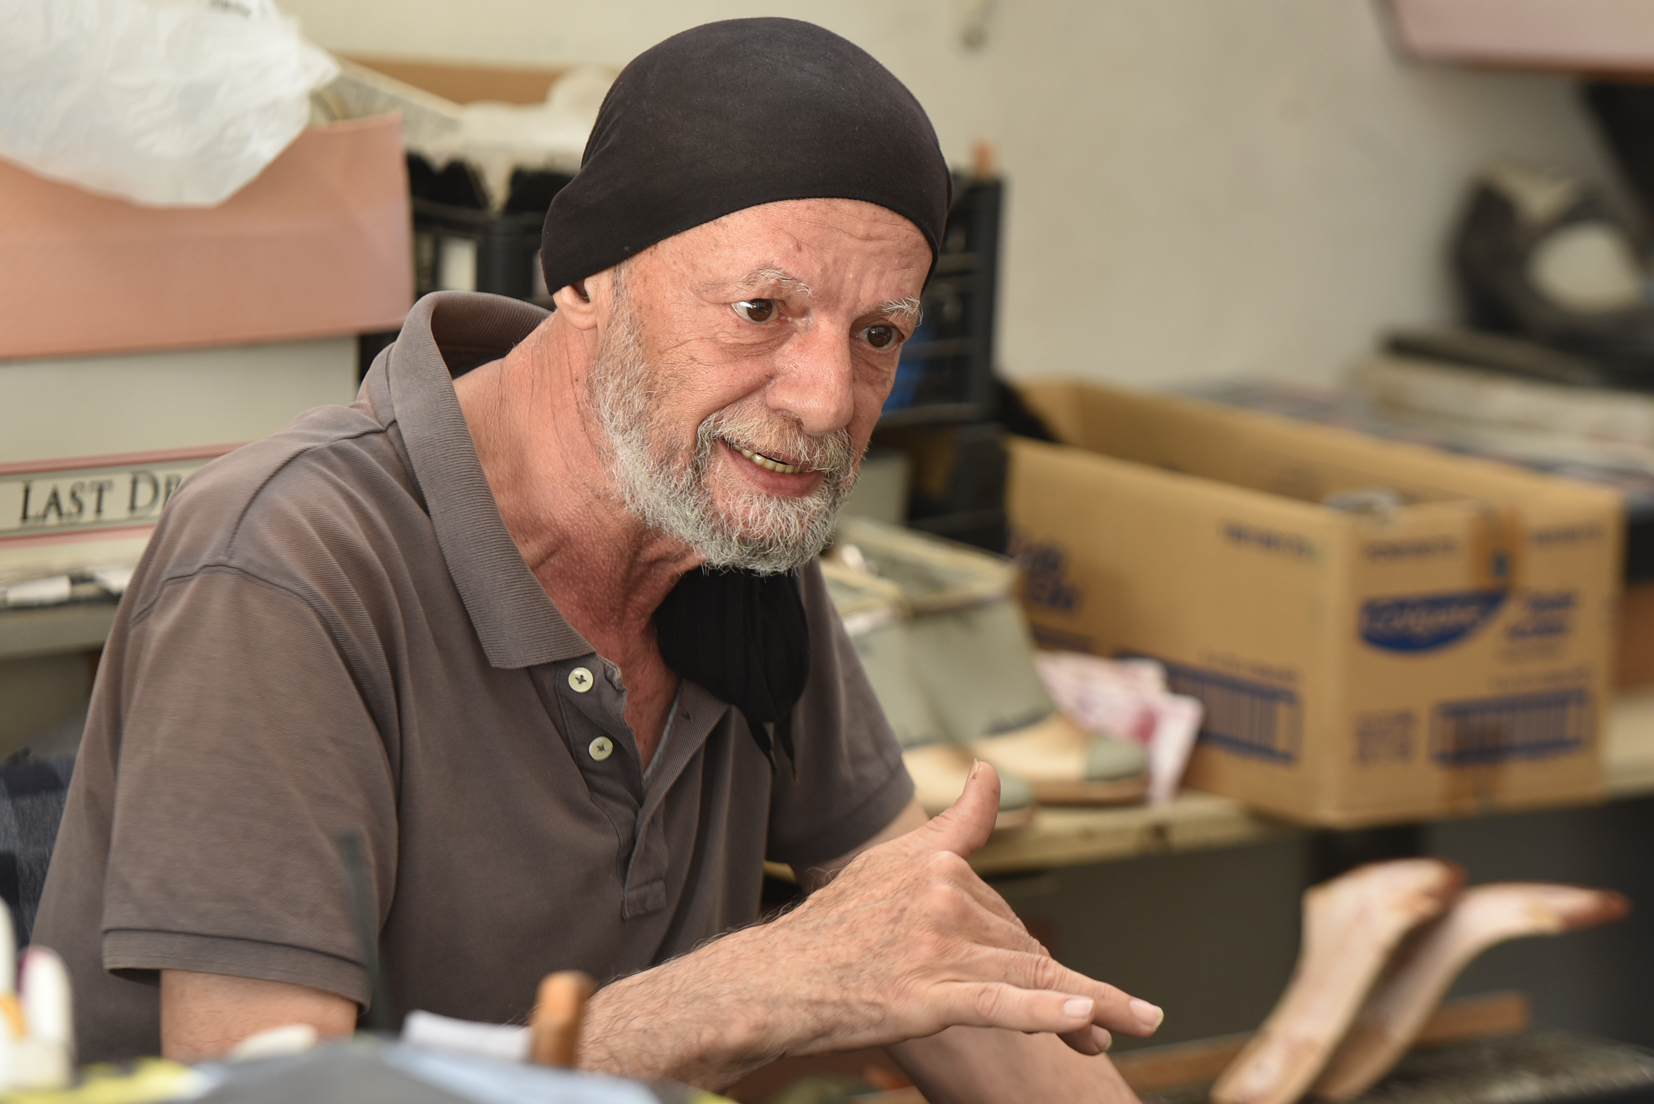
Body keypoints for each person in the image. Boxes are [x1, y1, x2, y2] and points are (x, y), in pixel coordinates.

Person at [34, 18, 1163, 1101]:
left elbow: (926, 960)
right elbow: (264, 1098)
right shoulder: (285, 563)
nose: (826, 401)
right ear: (581, 279)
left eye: (878, 335)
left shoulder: (733, 540)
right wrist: (750, 994)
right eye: (761, 309)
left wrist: (872, 964)